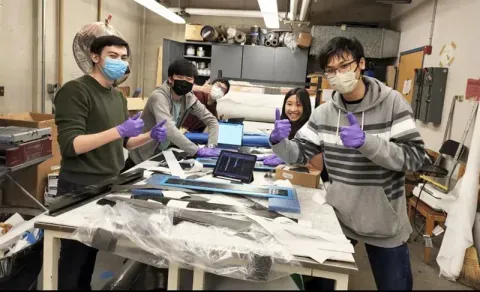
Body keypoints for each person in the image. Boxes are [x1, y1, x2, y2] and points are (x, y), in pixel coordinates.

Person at [269, 37, 425, 290]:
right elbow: (300, 154)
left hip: (383, 221)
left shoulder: (393, 104)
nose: (338, 74)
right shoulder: (323, 113)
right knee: (320, 286)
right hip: (339, 217)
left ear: (361, 64)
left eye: (344, 66)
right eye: (331, 70)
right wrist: (279, 142)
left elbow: (416, 158)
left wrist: (367, 142)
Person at [54, 35, 167, 290]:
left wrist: (149, 135)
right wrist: (119, 130)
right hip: (79, 187)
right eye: (113, 56)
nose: (119, 62)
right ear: (95, 57)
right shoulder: (76, 91)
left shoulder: (117, 97)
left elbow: (123, 143)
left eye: (124, 58)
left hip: (107, 185)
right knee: (74, 257)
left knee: (92, 252)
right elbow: (71, 145)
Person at [128, 59, 220, 166]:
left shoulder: (188, 98)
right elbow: (169, 129)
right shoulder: (159, 97)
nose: (184, 81)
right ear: (170, 79)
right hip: (142, 156)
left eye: (189, 79)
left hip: (162, 153)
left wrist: (211, 147)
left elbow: (211, 120)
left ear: (193, 82)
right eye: (180, 77)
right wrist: (196, 150)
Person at [262, 88, 329, 182]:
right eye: (289, 104)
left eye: (299, 105)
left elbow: (318, 167)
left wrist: (286, 159)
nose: (293, 109)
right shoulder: (284, 126)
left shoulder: (310, 131)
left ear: (305, 107)